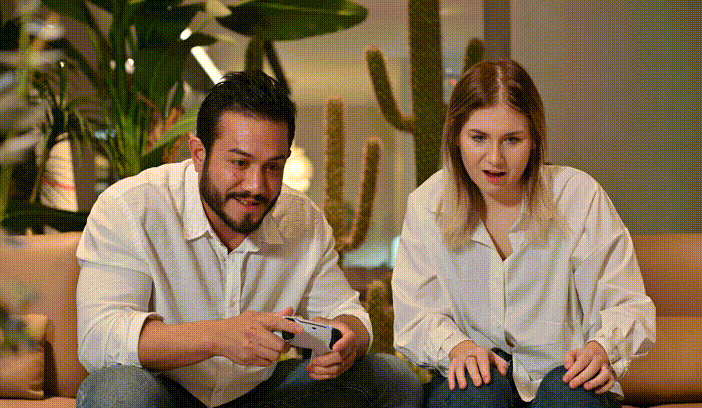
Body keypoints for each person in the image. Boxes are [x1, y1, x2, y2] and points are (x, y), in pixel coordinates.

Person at [75, 71, 422, 408]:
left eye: (273, 167)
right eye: (240, 163)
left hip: (261, 393)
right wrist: (218, 336)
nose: (256, 186)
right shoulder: (131, 207)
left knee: (391, 378)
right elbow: (99, 337)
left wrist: (346, 340)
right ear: (198, 154)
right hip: (163, 390)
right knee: (117, 392)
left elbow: (350, 317)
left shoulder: (303, 220)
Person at [392, 60, 656, 408]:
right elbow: (414, 317)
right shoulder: (427, 204)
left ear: (534, 141)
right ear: (456, 137)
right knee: (476, 393)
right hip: (474, 384)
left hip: (563, 376)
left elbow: (628, 305)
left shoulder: (579, 195)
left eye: (512, 140)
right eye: (479, 138)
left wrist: (600, 350)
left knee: (569, 395)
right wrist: (458, 347)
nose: (495, 159)